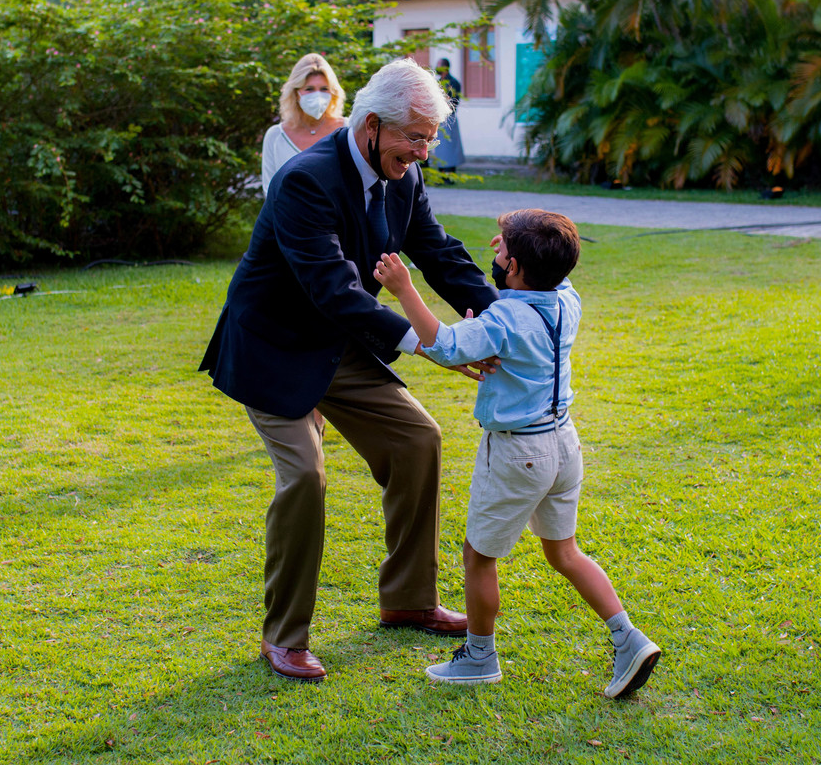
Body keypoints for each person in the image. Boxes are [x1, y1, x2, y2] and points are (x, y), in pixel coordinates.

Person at [200, 58, 500, 683]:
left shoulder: (404, 178)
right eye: (412, 137)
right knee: (305, 476)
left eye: (430, 137)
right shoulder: (305, 180)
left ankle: (408, 600)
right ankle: (284, 637)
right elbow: (334, 289)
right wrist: (434, 344)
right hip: (276, 347)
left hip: (339, 344)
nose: (422, 151)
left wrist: (504, 320)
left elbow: (439, 253)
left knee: (418, 439)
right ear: (370, 125)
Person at [372, 209, 662, 699]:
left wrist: (404, 288)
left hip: (516, 453)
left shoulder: (505, 316)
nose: (496, 251)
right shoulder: (566, 299)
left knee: (478, 556)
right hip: (563, 445)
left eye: (503, 248)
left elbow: (443, 347)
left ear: (518, 266)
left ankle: (479, 658)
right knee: (564, 552)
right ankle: (628, 636)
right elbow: (520, 297)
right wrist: (520, 248)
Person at [261, 53, 347, 195]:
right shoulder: (276, 136)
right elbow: (270, 193)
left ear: (333, 92)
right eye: (309, 89)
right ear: (295, 93)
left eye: (324, 89)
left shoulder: (348, 130)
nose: (318, 96)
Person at [431, 58, 465, 174]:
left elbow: (454, 102)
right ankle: (441, 174)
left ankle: (451, 174)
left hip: (449, 118)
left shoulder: (453, 82)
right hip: (439, 118)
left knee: (451, 148)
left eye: (439, 65)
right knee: (440, 148)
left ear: (445, 67)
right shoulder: (439, 82)